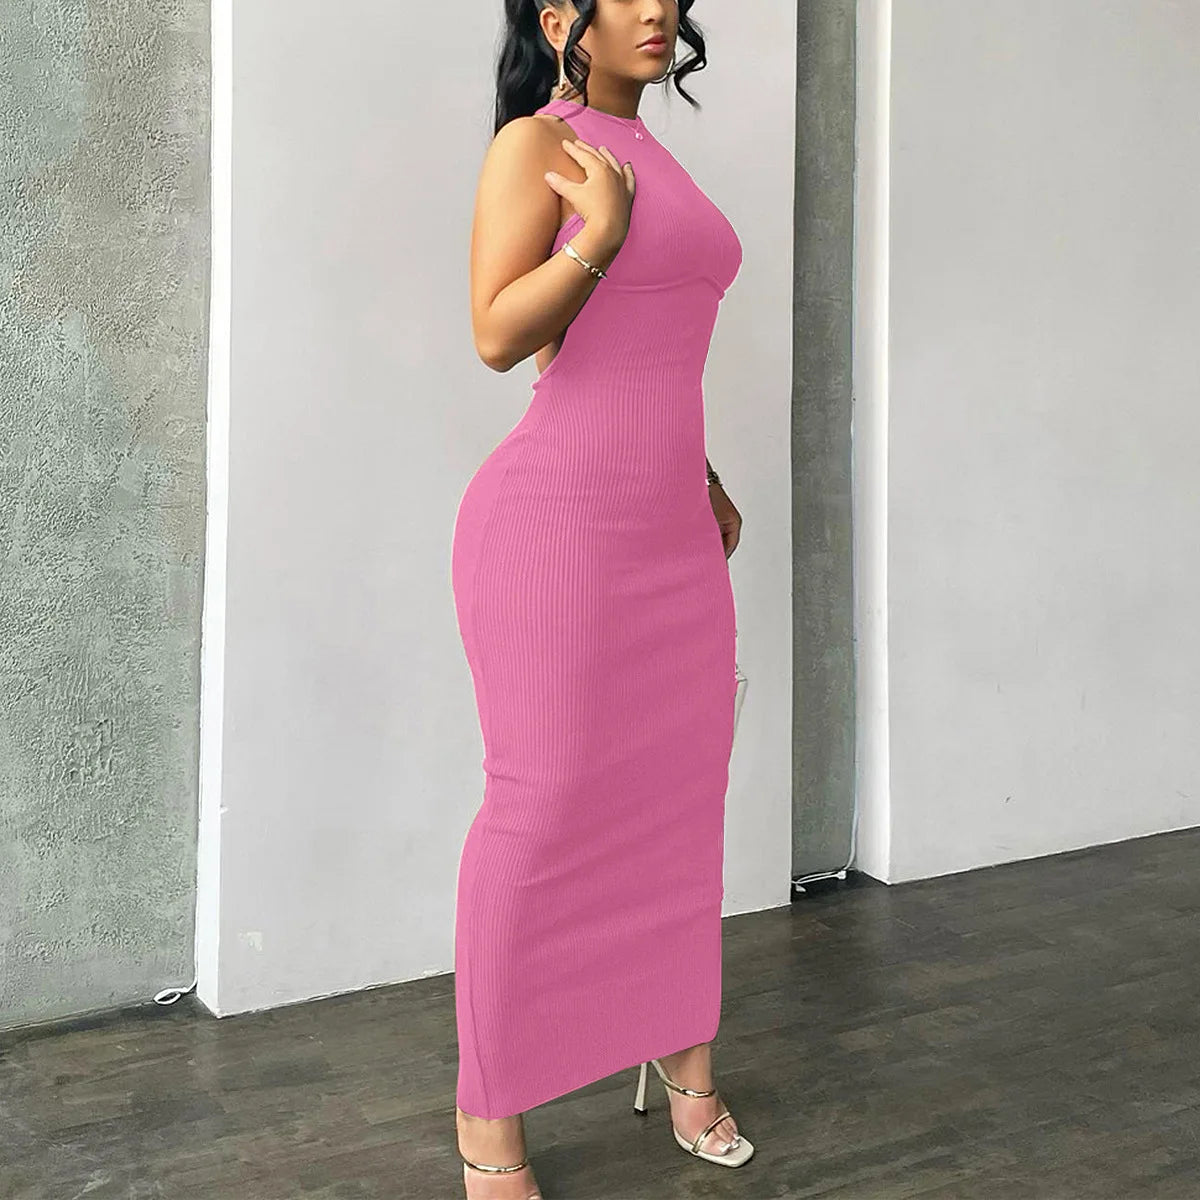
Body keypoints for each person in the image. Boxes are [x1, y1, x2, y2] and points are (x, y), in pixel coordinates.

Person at [451, 2, 750, 1195]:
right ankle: (488, 1125)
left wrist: (702, 478)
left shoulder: (652, 150)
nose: (657, 9)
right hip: (557, 529)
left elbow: (645, 353)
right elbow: (495, 334)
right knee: (542, 809)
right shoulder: (539, 143)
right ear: (557, 15)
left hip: (669, 533)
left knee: (680, 805)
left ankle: (685, 1066)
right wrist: (599, 239)